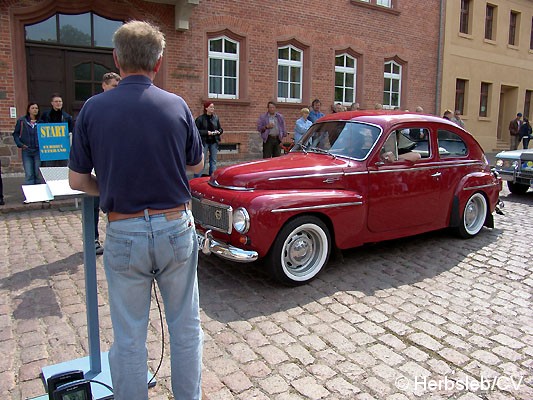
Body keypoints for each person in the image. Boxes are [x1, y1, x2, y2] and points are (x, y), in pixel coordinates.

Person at [68, 20, 204, 400]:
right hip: (175, 227)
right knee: (186, 327)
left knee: (128, 336)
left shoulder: (92, 109)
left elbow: (77, 181)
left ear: (116, 58)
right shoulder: (176, 105)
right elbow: (196, 165)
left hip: (124, 230)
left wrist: (108, 186)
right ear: (158, 63)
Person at [92, 72, 122, 255]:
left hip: (116, 164)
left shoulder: (122, 107)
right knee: (95, 203)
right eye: (113, 87)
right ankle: (93, 238)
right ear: (104, 85)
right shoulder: (95, 107)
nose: (116, 91)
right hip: (99, 163)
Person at [13, 103, 43, 186]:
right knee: (29, 173)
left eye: (36, 108)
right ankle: (30, 194)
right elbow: (15, 134)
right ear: (29, 110)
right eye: (33, 108)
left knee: (38, 173)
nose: (35, 110)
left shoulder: (41, 122)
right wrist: (20, 144)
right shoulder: (22, 121)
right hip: (26, 150)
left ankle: (40, 193)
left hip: (38, 150)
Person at [40, 93, 74, 167]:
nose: (58, 103)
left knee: (63, 169)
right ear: (52, 103)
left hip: (62, 148)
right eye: (56, 101)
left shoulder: (67, 117)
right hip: (49, 149)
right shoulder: (45, 115)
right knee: (50, 169)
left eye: (60, 101)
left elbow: (71, 131)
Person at [194, 101, 223, 177]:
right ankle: (197, 178)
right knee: (202, 161)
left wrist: (218, 132)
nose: (212, 109)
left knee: (213, 161)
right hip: (204, 142)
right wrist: (207, 132)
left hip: (214, 141)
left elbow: (221, 129)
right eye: (211, 107)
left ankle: (212, 177)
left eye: (213, 107)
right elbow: (196, 131)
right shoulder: (200, 119)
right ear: (206, 108)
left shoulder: (215, 118)